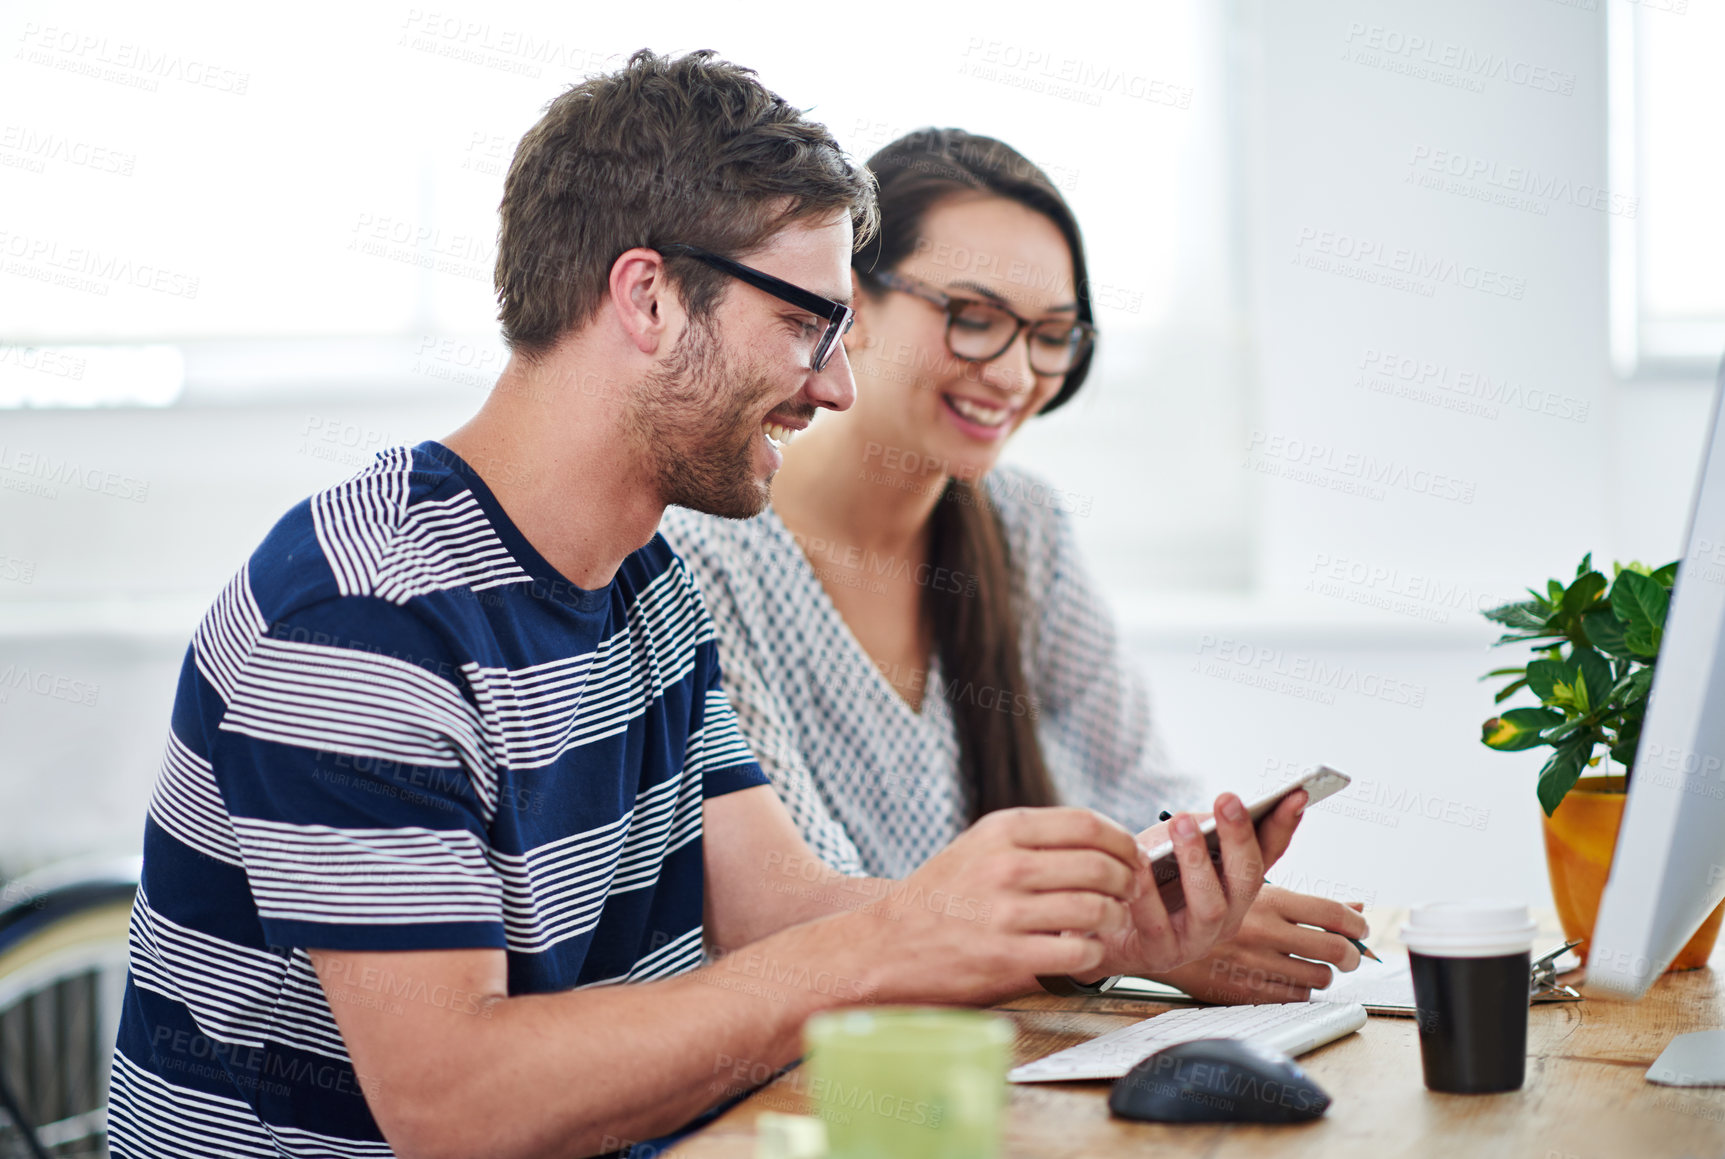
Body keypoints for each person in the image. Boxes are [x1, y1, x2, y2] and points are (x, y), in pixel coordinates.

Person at [107, 53, 1304, 1159]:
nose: (837, 384)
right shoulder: (361, 615)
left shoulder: (643, 579)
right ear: (650, 300)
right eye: (804, 324)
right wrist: (892, 942)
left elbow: (779, 908)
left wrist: (1091, 942)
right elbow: (453, 1101)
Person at [660, 127, 1367, 1007]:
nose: (1015, 372)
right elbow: (801, 914)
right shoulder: (705, 553)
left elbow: (1140, 787)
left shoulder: (1020, 522)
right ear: (853, 305)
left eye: (1051, 334)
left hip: (1016, 1042)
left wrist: (1198, 894)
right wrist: (1116, 941)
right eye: (976, 317)